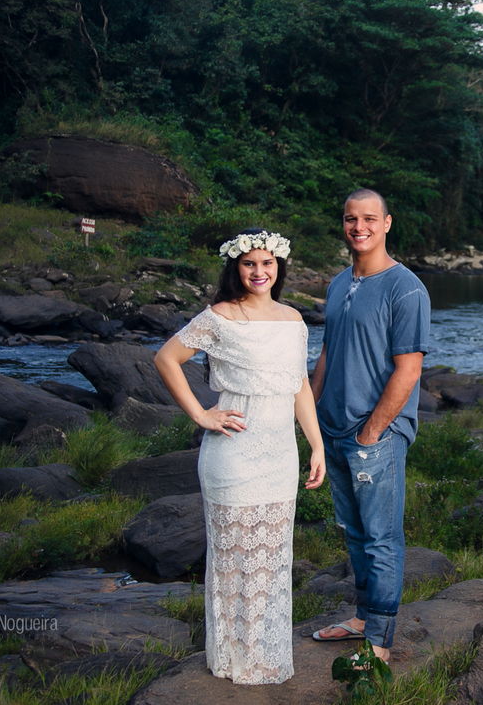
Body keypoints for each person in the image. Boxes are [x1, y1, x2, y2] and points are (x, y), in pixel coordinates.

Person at [154, 228, 326, 685]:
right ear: (236, 267)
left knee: (271, 557)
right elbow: (167, 359)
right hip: (232, 454)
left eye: (267, 264)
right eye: (249, 263)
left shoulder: (293, 319)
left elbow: (300, 386)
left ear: (278, 268)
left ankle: (265, 655)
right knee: (232, 559)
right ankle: (231, 657)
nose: (259, 272)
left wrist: (317, 444)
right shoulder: (217, 317)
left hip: (280, 456)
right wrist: (201, 415)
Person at [309, 189, 430, 663]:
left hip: (373, 435)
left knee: (381, 537)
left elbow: (409, 370)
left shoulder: (406, 288)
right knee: (355, 533)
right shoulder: (340, 283)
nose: (359, 227)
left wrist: (372, 432)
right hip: (333, 429)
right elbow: (326, 353)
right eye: (350, 219)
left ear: (386, 223)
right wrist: (311, 415)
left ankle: (378, 644)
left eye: (369, 219)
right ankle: (362, 618)